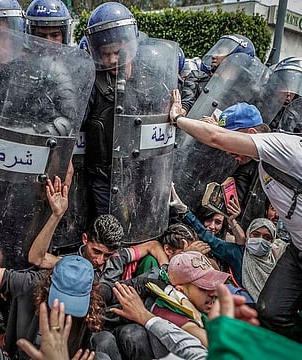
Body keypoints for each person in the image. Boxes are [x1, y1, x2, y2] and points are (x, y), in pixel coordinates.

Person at [170, 89, 302, 342]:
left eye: (234, 144)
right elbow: (217, 132)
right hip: (297, 250)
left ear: (251, 134)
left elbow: (216, 138)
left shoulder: (279, 145)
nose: (230, 154)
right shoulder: (263, 163)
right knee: (271, 312)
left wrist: (178, 118)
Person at [27, 176, 169, 281]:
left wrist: (167, 272)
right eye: (96, 251)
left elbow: (153, 245)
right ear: (85, 239)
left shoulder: (117, 257)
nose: (100, 260)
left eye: (107, 255)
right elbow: (37, 259)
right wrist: (57, 215)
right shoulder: (71, 263)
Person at [82, 2, 139, 221]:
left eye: (117, 52)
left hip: (138, 176)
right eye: (106, 54)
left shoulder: (147, 80)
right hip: (104, 179)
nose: (112, 60)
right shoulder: (93, 83)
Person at [181, 34, 255, 115]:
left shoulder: (246, 94)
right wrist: (182, 110)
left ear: (237, 58)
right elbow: (187, 102)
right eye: (216, 51)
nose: (213, 55)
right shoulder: (197, 79)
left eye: (220, 52)